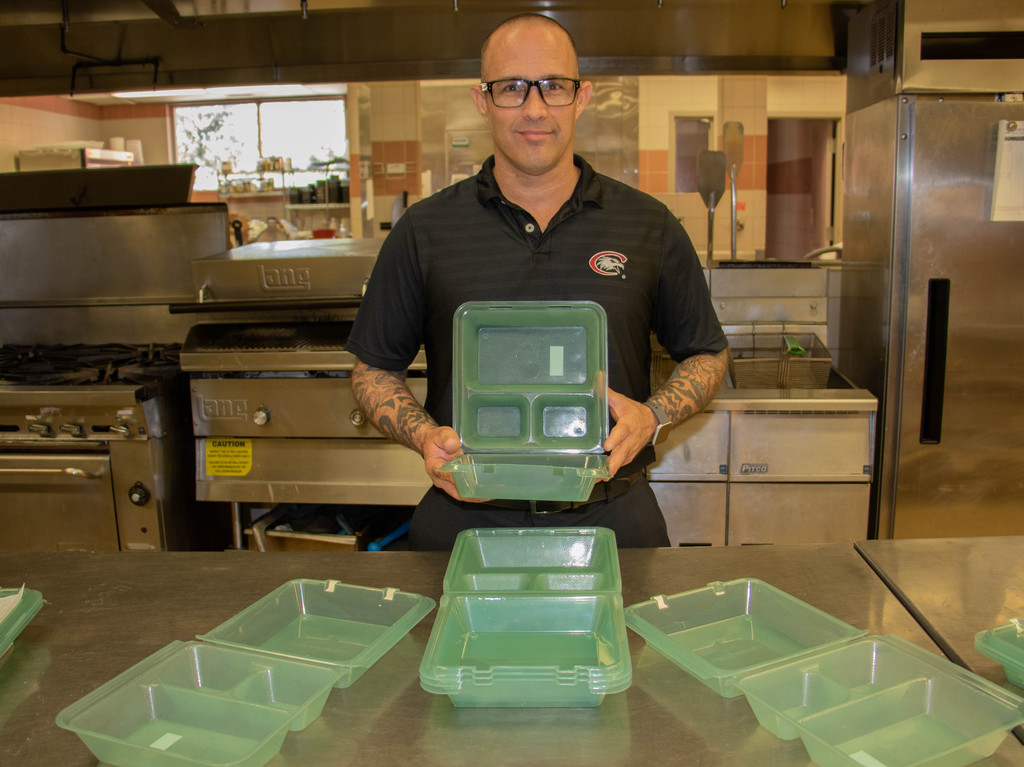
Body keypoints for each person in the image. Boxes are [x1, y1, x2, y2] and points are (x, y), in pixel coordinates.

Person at [345, 13, 728, 550]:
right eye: (511, 88)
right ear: (482, 100)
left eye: (553, 87)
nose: (534, 108)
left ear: (582, 96)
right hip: (465, 524)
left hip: (614, 520)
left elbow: (707, 354)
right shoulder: (425, 230)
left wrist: (654, 417)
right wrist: (425, 435)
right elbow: (372, 370)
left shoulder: (648, 225)